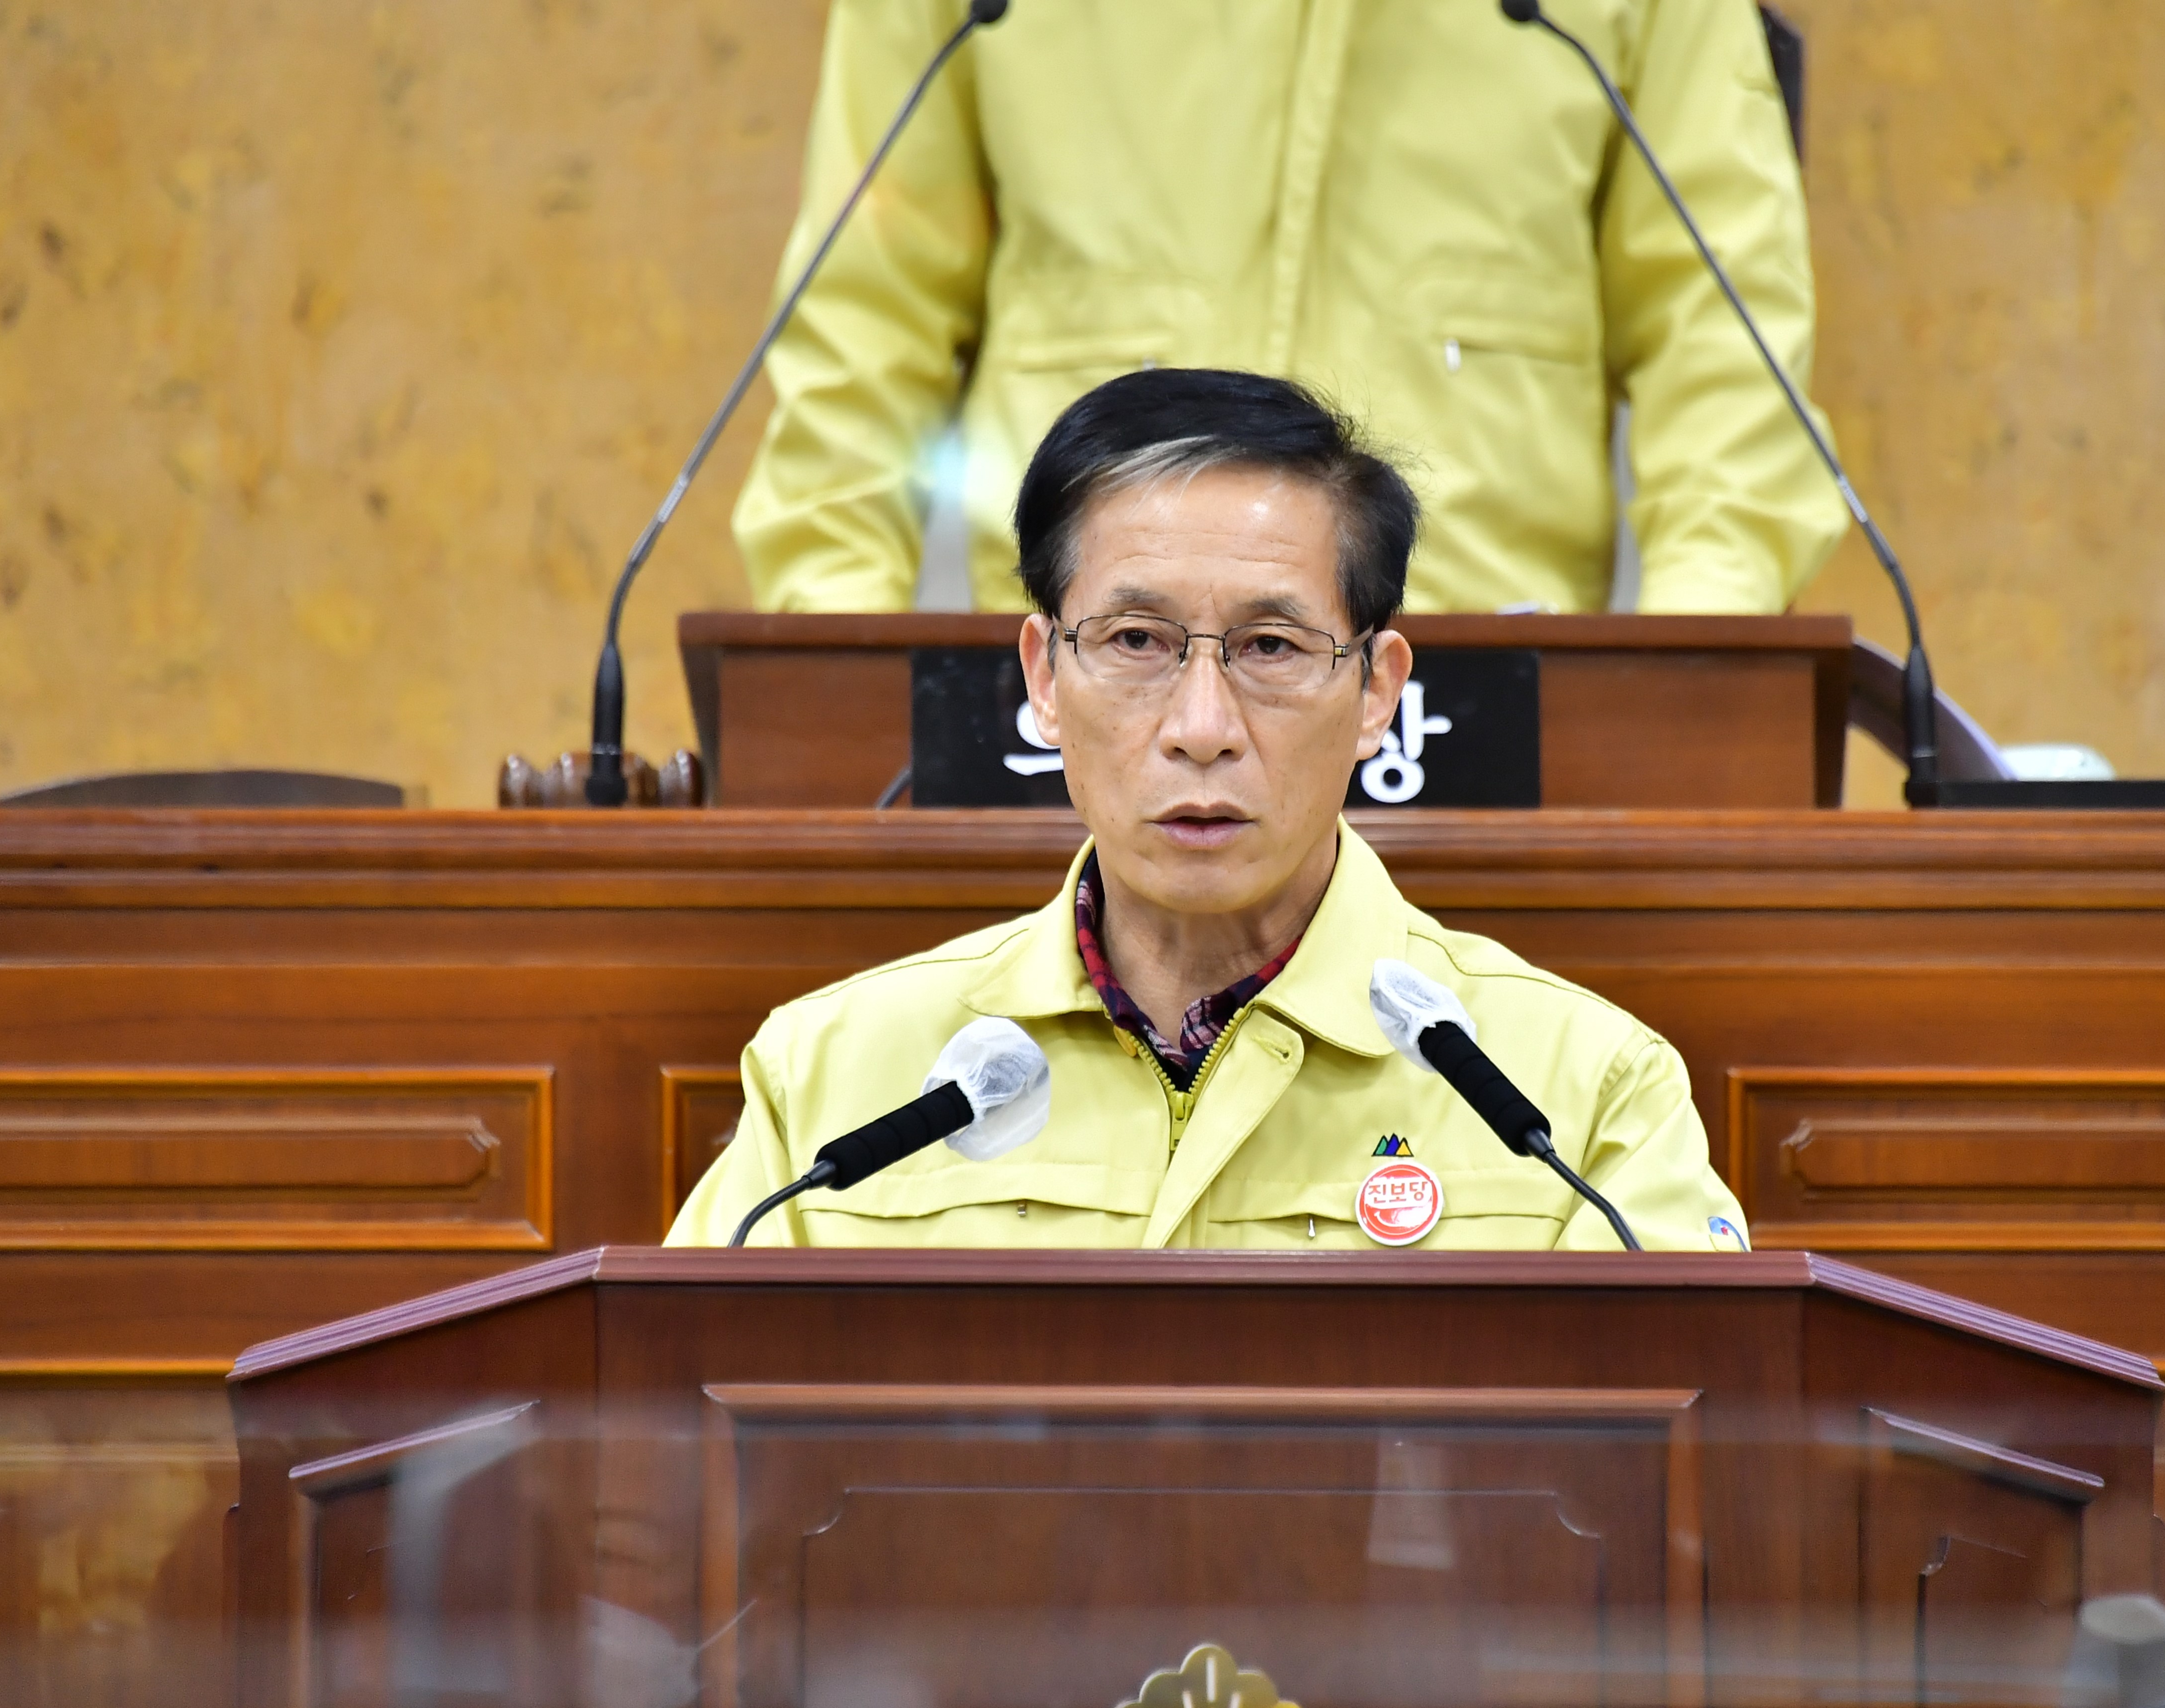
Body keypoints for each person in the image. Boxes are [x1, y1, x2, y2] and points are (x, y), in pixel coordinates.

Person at [669, 369, 1748, 1251]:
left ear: (1377, 688)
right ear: (1043, 676)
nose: (1200, 725)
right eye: (1135, 641)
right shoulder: (831, 1082)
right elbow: (681, 1473)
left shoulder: (1580, 1094)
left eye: (1269, 648)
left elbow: (1688, 1477)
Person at [731, 0, 1844, 619]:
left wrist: (1705, 671)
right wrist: (839, 662)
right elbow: (863, 331)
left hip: (1481, 703)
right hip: (1075, 706)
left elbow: (1725, 353)